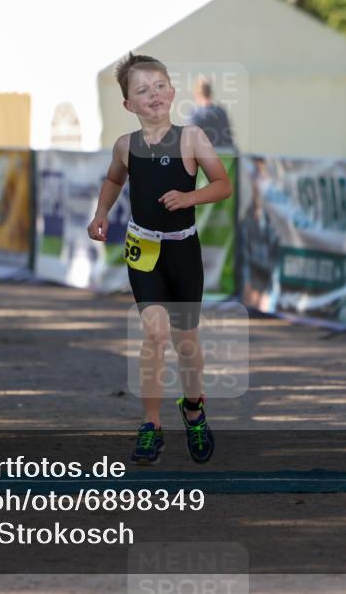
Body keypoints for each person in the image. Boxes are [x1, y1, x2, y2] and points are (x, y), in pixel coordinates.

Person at [87, 53, 232, 465]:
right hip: (143, 249)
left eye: (159, 86)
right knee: (155, 334)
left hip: (183, 249)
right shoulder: (125, 146)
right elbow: (114, 179)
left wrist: (190, 196)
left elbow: (223, 184)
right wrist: (101, 213)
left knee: (187, 343)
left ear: (172, 91)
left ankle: (193, 409)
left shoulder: (192, 139)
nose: (152, 94)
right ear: (128, 105)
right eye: (141, 90)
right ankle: (150, 425)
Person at [188, 75, 234, 148]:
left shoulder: (195, 114)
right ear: (210, 92)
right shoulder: (221, 111)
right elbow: (229, 138)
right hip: (225, 154)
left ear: (196, 93)